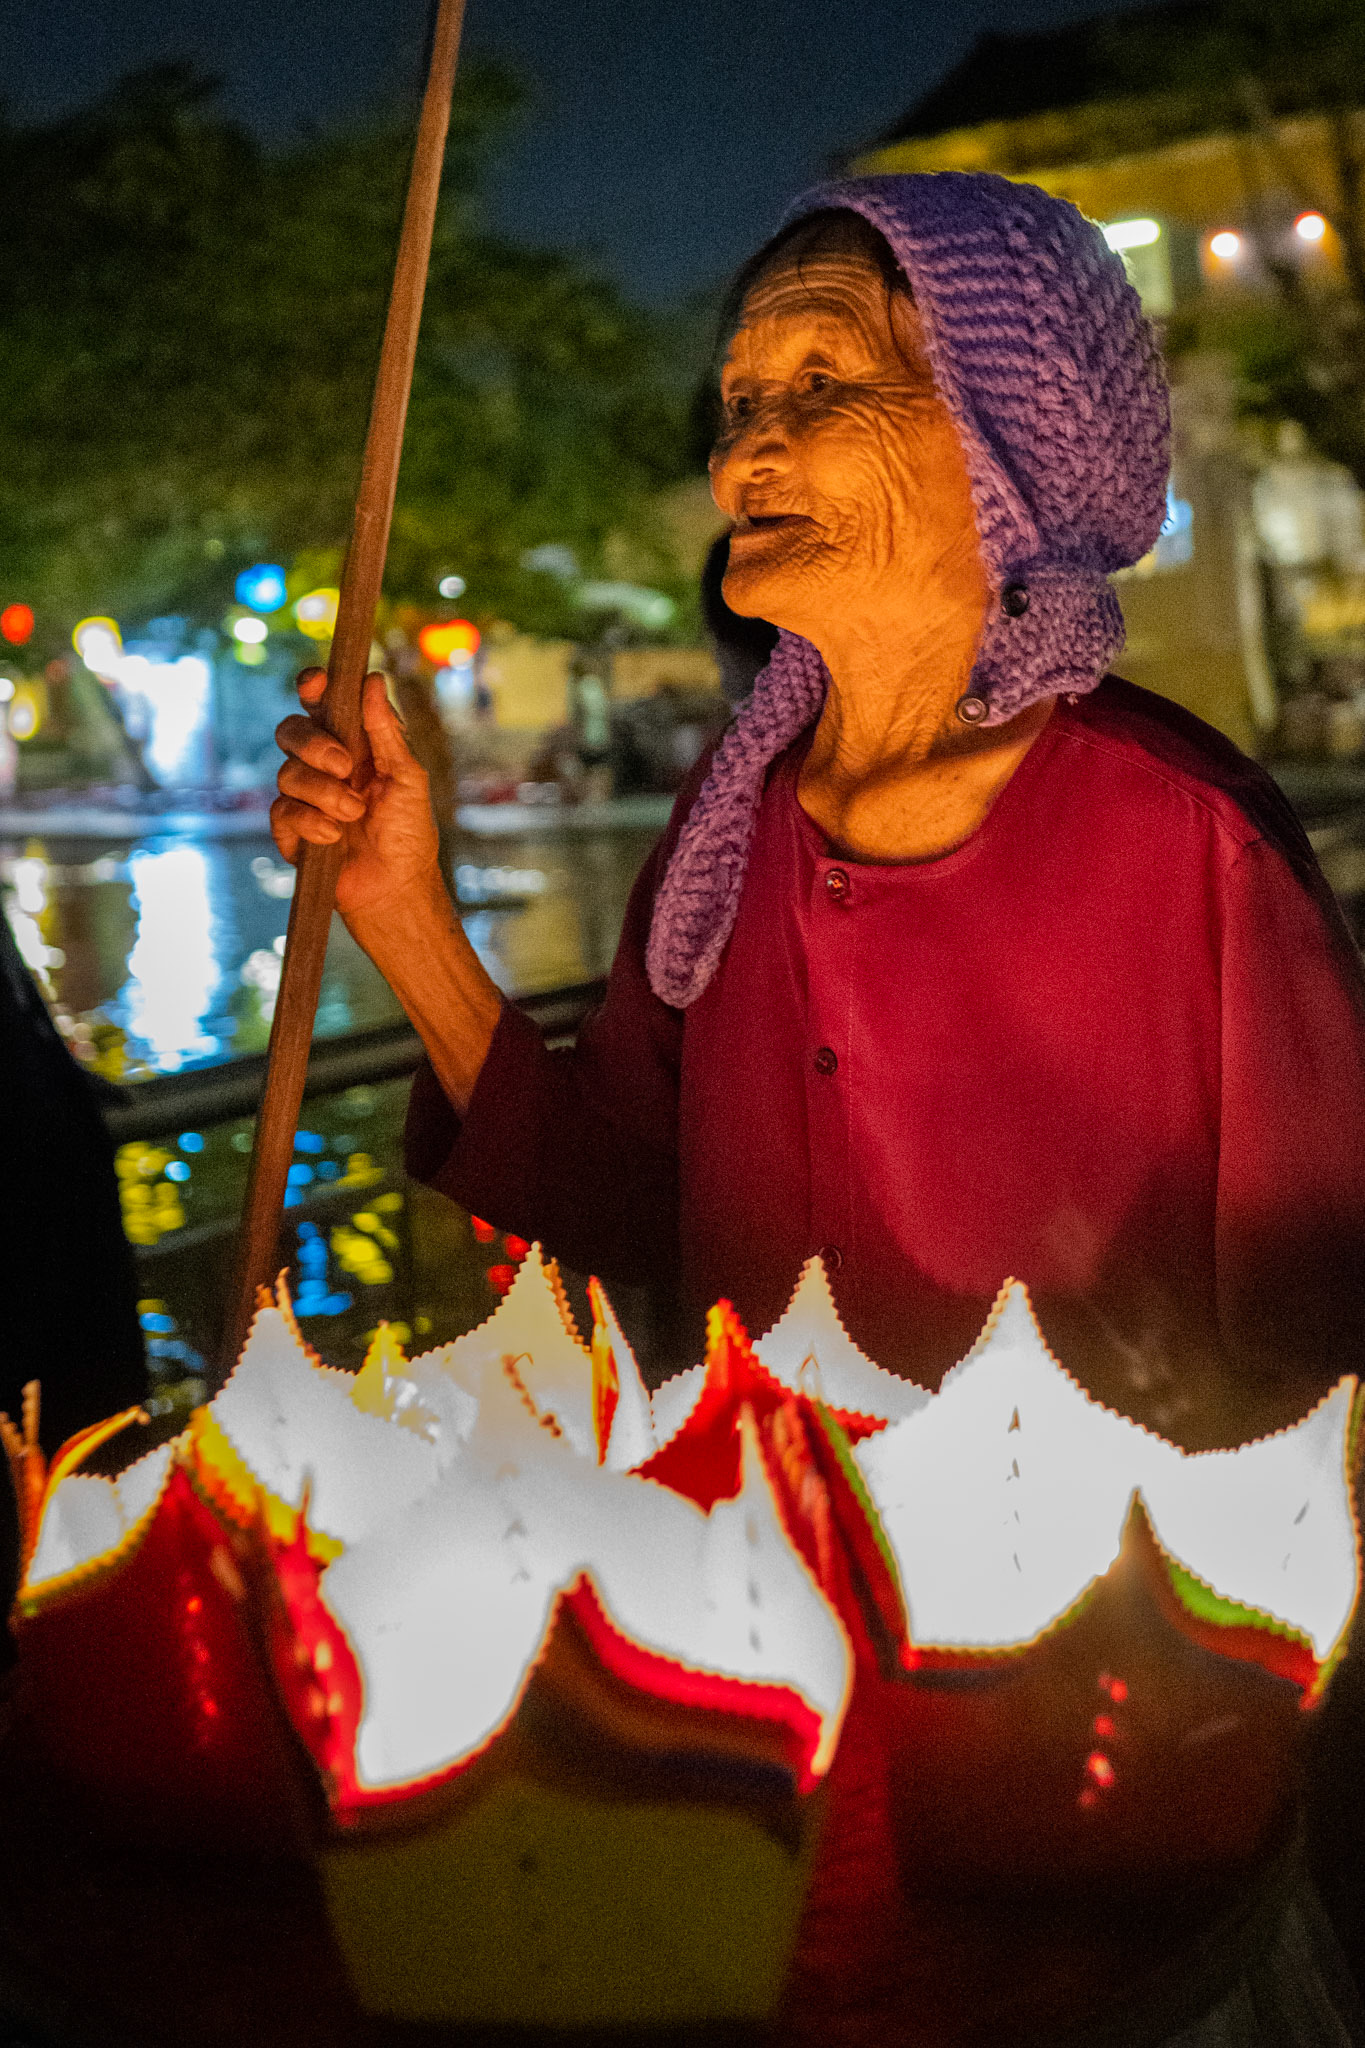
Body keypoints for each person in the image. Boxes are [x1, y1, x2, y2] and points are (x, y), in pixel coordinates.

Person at [273, 173, 1365, 2044]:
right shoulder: (727, 844)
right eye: (735, 404)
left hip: (1111, 1820)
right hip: (767, 1772)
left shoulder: (1182, 845)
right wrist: (400, 915)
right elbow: (638, 1218)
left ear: (1006, 448)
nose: (748, 445)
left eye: (822, 381)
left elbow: (1327, 1378)